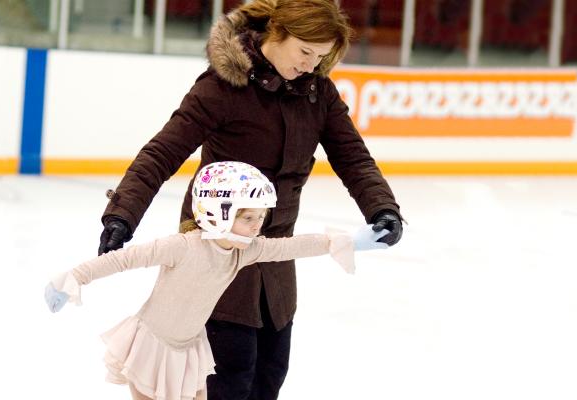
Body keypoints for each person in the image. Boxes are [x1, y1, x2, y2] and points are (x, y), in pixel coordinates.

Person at [97, 1, 404, 398]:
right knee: (225, 379)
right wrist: (122, 215)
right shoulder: (222, 88)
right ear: (276, 34)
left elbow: (353, 157)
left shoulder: (317, 94)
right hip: (214, 254)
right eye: (305, 52)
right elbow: (162, 153)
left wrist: (383, 209)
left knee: (269, 374)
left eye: (322, 57)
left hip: (275, 256)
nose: (312, 65)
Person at [46, 161, 389, 400]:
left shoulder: (245, 250)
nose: (257, 226)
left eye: (260, 217)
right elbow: (123, 259)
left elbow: (291, 246)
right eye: (248, 217)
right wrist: (72, 278)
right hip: (153, 346)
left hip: (191, 348)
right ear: (216, 211)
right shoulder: (181, 247)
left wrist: (346, 242)